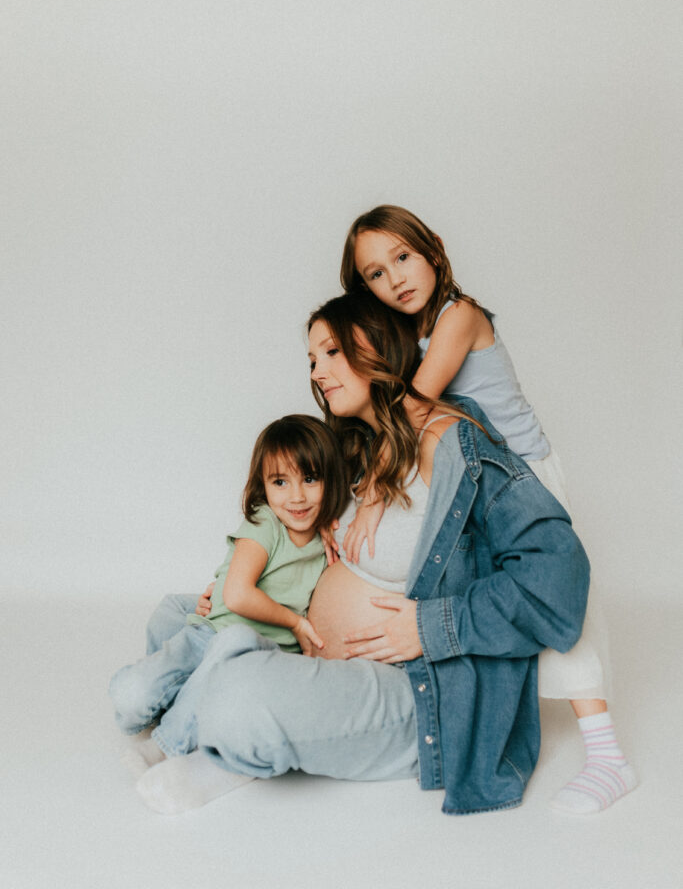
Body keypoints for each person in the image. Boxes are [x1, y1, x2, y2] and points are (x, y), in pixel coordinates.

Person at [133, 291, 592, 817]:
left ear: (375, 348)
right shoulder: (361, 448)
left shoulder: (457, 445)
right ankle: (244, 713)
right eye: (312, 360)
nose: (318, 372)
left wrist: (430, 626)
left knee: (235, 696)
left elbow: (558, 578)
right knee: (176, 612)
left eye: (331, 352)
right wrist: (242, 588)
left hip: (414, 691)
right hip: (311, 643)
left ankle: (231, 750)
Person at [337, 204, 637, 813]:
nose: (394, 278)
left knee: (565, 603)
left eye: (402, 256)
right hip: (482, 481)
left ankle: (608, 757)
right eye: (374, 273)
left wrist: (368, 496)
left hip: (526, 478)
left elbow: (417, 409)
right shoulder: (410, 335)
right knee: (504, 602)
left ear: (433, 250)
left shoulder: (459, 317)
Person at [109, 414, 348, 772]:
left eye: (311, 479)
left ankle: (165, 747)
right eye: (280, 482)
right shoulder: (265, 522)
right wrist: (295, 623)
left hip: (259, 658)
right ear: (263, 486)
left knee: (236, 642)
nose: (297, 496)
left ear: (332, 481)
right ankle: (172, 699)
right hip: (209, 634)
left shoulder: (329, 537)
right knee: (131, 697)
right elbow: (236, 596)